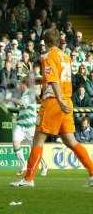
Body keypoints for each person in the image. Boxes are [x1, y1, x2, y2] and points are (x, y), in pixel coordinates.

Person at [11, 29, 93, 187]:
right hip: (67, 100)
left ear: (46, 42)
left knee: (38, 140)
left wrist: (59, 99)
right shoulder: (66, 57)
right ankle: (92, 173)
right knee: (71, 140)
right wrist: (40, 81)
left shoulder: (47, 56)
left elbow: (54, 79)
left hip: (54, 101)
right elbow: (56, 77)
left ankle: (28, 179)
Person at [5, 77, 48, 176]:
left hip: (30, 126)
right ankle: (23, 165)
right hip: (21, 124)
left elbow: (22, 103)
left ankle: (44, 165)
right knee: (16, 143)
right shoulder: (25, 94)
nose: (19, 86)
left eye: (21, 84)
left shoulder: (30, 94)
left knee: (34, 148)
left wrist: (10, 99)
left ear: (25, 85)